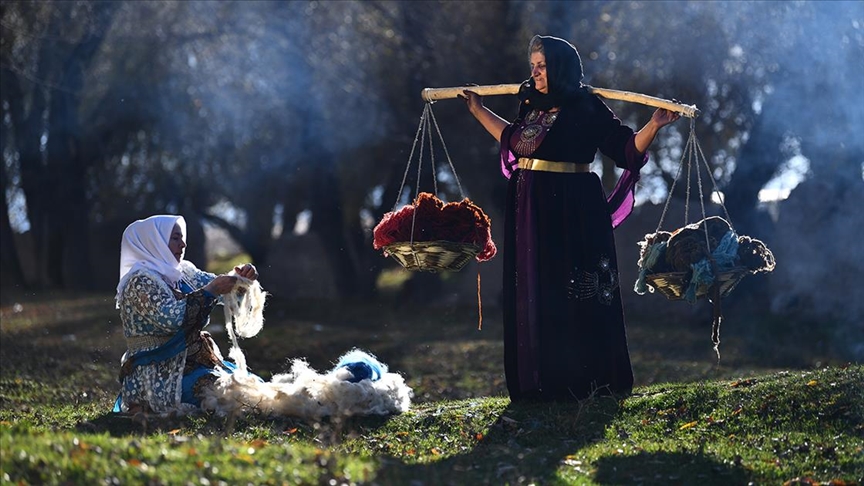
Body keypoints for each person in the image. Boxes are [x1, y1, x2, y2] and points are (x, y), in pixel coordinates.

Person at [462, 35, 680, 402]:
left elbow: (625, 149)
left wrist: (654, 125)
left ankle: (580, 381)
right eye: (533, 66)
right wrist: (478, 110)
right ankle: (537, 381)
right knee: (533, 287)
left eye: (543, 66)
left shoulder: (586, 106)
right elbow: (513, 139)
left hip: (572, 208)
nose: (535, 73)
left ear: (561, 67)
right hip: (529, 208)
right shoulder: (530, 105)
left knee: (571, 289)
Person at [112, 214, 259, 414]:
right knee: (223, 392)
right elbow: (173, 319)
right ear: (155, 241)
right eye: (175, 238)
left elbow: (222, 289)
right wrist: (211, 291)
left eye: (182, 238)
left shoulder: (183, 273)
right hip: (158, 372)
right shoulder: (139, 282)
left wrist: (241, 278)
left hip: (190, 364)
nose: (183, 244)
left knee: (248, 384)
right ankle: (143, 403)